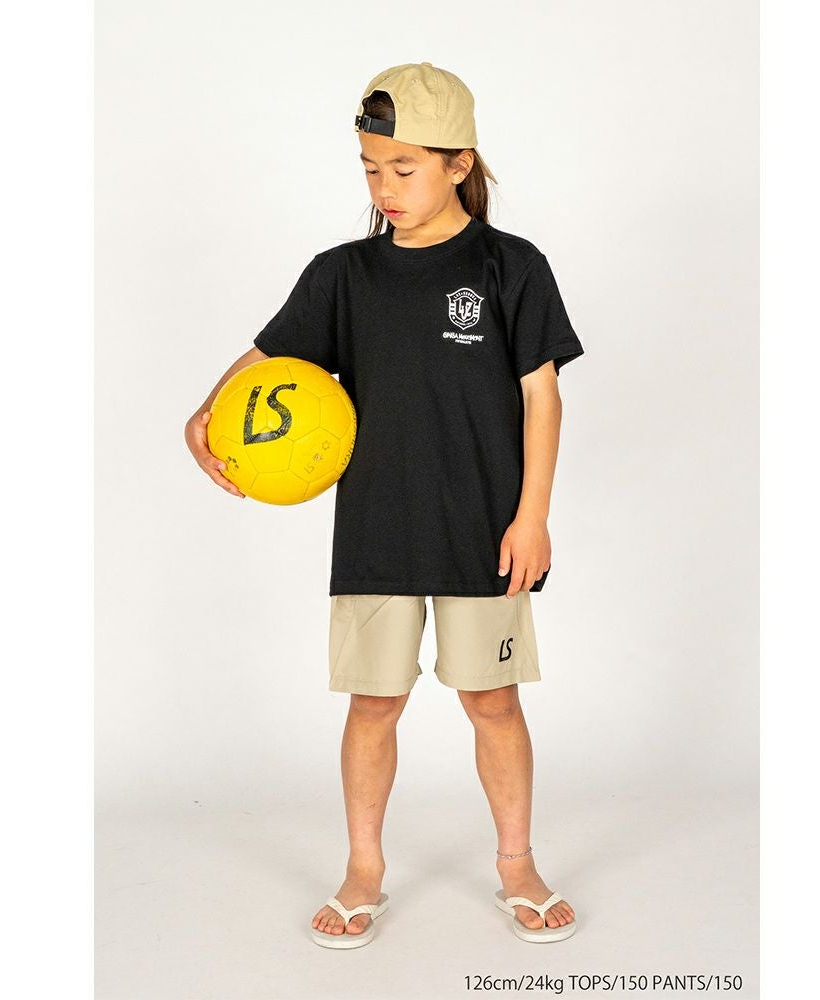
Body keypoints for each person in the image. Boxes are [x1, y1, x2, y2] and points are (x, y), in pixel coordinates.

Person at [184, 62, 584, 948]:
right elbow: (266, 361)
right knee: (373, 704)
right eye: (370, 168)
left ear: (458, 163)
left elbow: (542, 396)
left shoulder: (511, 267)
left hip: (484, 527)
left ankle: (517, 864)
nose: (384, 188)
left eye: (403, 167)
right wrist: (202, 414)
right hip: (377, 525)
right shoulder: (342, 275)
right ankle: (364, 868)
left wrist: (533, 516)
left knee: (492, 699)